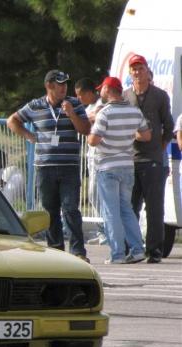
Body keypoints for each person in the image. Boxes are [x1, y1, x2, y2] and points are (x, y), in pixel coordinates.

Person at [7, 70, 91, 262]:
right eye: (59, 84)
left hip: (69, 165)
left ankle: (78, 251)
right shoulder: (35, 106)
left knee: (70, 208)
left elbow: (85, 130)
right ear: (49, 86)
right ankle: (56, 251)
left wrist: (71, 113)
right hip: (44, 167)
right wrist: (29, 136)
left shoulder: (74, 103)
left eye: (65, 84)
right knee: (50, 210)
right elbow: (11, 121)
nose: (64, 87)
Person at [87, 76, 152, 264]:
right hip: (127, 164)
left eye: (102, 89)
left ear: (108, 90)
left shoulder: (104, 113)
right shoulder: (134, 111)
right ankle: (138, 249)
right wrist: (127, 137)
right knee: (127, 209)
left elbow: (93, 140)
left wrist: (94, 130)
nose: (100, 92)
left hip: (107, 166)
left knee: (111, 211)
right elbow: (146, 135)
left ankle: (117, 254)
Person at [122, 54, 174, 263]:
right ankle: (132, 248)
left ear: (147, 70)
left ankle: (154, 251)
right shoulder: (125, 96)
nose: (137, 72)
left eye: (140, 68)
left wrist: (159, 149)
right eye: (134, 69)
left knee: (154, 208)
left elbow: (169, 127)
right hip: (130, 159)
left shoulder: (160, 96)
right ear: (130, 73)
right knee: (130, 207)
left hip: (153, 161)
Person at [75, 77, 107, 245]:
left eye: (80, 95)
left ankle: (105, 231)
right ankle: (101, 230)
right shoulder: (87, 108)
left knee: (97, 193)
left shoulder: (101, 103)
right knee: (93, 194)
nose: (79, 99)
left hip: (101, 156)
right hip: (91, 156)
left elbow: (95, 116)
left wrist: (80, 118)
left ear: (88, 92)